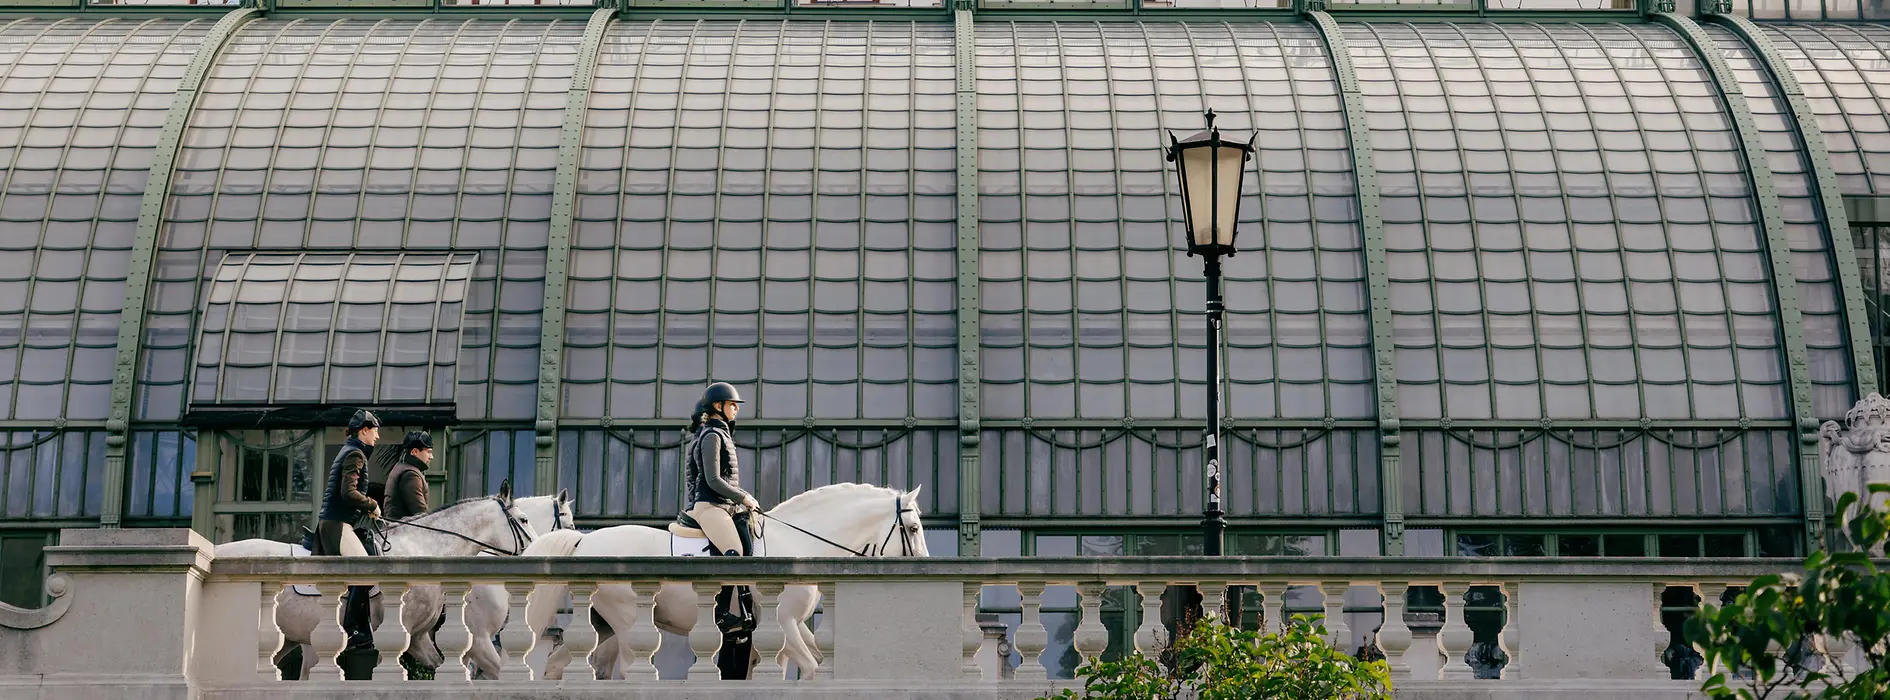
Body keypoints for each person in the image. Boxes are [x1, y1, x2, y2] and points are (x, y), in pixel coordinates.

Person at [679, 382, 760, 637]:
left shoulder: (722, 433)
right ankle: (721, 613)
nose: (736, 408)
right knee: (733, 554)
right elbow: (713, 480)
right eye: (732, 404)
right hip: (710, 506)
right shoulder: (712, 436)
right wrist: (744, 496)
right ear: (718, 406)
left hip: (724, 506)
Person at [316, 409, 383, 652]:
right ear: (364, 430)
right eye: (375, 431)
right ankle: (354, 631)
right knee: (365, 571)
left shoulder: (351, 451)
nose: (377, 437)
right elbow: (348, 493)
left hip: (336, 523)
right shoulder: (356, 454)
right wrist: (371, 504)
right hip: (337, 525)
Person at [382, 430, 433, 521]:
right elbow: (420, 512)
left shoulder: (401, 467)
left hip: (397, 529)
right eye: (428, 452)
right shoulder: (411, 475)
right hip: (403, 531)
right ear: (414, 452)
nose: (431, 457)